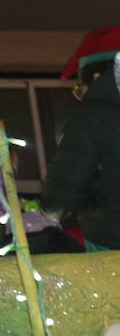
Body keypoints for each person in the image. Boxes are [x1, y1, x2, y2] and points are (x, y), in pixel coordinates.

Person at [42, 27, 120, 251]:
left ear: (96, 78)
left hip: (111, 242)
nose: (80, 96)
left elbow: (60, 201)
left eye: (79, 89)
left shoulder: (91, 115)